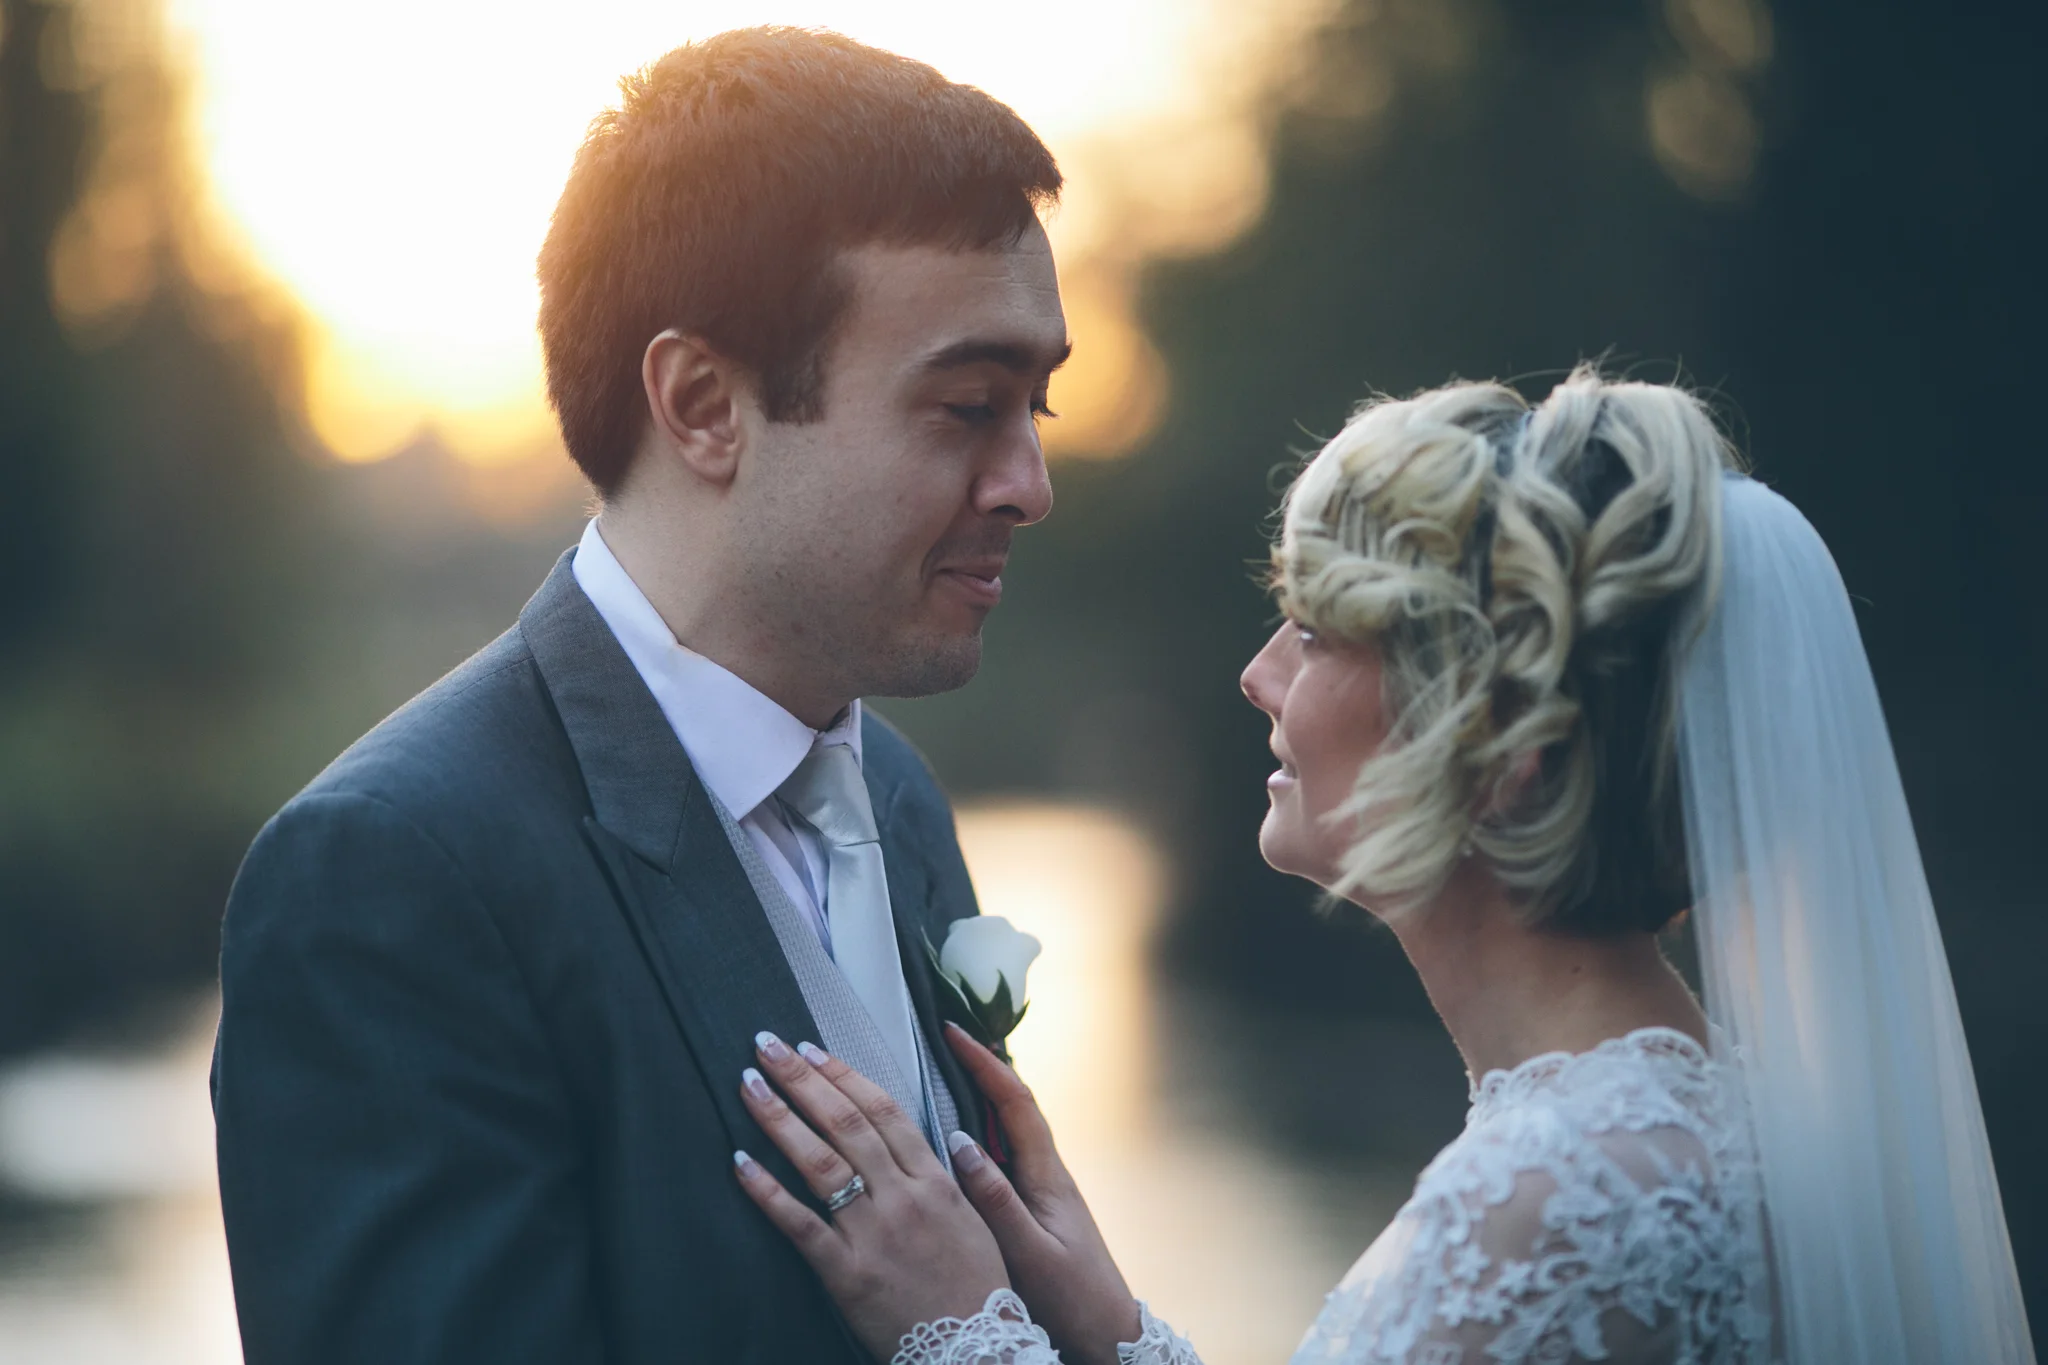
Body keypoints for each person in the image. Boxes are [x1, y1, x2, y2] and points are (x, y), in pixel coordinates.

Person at [727, 368, 2038, 1364]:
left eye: (1313, 630)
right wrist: (1113, 1329)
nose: (1258, 676)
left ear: (1505, 751)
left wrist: (961, 1331)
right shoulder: (1662, 1129)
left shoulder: (1562, 1198)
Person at [210, 28, 1068, 1364]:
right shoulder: (391, 878)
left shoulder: (897, 801)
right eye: (968, 407)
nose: (1028, 486)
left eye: (1038, 408)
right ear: (704, 405)